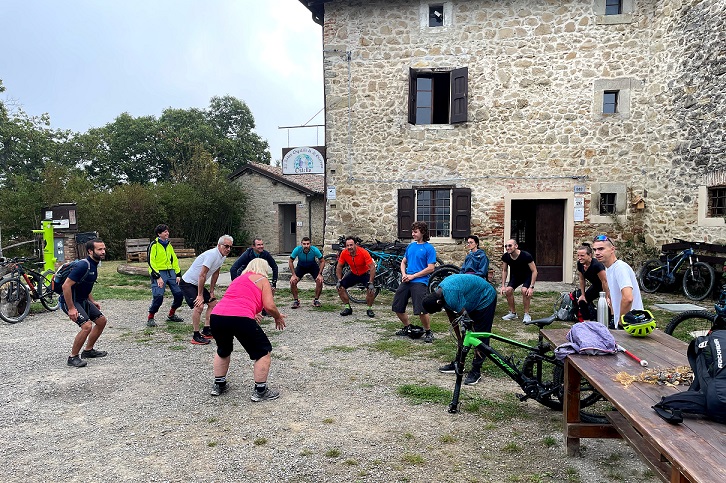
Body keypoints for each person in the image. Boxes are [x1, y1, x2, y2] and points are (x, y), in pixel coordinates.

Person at [208, 258, 286, 401]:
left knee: (223, 349)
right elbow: (269, 306)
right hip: (240, 317)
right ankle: (260, 391)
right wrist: (278, 316)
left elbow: (237, 299)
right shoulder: (262, 279)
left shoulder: (238, 280)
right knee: (263, 351)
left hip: (217, 316)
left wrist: (252, 312)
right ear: (264, 269)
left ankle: (219, 385)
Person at [423, 274, 497, 385]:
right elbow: (452, 318)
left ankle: (476, 370)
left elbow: (468, 321)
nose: (440, 310)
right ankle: (458, 363)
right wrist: (459, 339)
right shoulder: (440, 294)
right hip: (472, 297)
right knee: (466, 336)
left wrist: (477, 345)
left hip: (485, 296)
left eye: (438, 309)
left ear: (439, 302)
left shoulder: (451, 295)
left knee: (480, 335)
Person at [61, 239, 108, 368]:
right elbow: (66, 286)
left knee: (101, 321)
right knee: (87, 326)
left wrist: (92, 301)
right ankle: (73, 357)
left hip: (83, 300)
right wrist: (71, 308)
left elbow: (86, 284)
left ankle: (88, 351)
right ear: (90, 251)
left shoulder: (94, 264)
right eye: (99, 249)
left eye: (104, 249)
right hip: (71, 301)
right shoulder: (83, 265)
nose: (103, 252)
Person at [180, 235, 233, 345]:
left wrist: (212, 291)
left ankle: (206, 329)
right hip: (188, 283)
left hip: (197, 283)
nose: (228, 249)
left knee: (213, 303)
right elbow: (202, 275)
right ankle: (196, 335)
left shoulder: (222, 256)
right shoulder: (212, 255)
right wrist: (200, 295)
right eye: (226, 246)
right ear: (219, 245)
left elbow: (216, 273)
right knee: (199, 306)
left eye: (230, 247)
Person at [392, 221, 437, 343]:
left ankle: (428, 332)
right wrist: (404, 274)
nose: (413, 234)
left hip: (420, 281)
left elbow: (431, 268)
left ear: (423, 232)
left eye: (415, 232)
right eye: (412, 231)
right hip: (407, 279)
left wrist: (413, 276)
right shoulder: (411, 246)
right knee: (397, 306)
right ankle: (408, 327)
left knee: (421, 309)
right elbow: (403, 262)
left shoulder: (429, 248)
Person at [592, 234, 643, 328]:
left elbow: (628, 298)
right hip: (625, 324)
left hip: (631, 324)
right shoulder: (609, 268)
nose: (597, 253)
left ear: (612, 249)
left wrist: (620, 322)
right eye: (595, 250)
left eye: (601, 249)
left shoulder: (620, 268)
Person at [145, 224, 184, 327]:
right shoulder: (153, 245)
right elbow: (151, 261)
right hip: (159, 273)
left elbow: (174, 259)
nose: (167, 233)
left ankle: (171, 314)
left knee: (179, 295)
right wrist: (157, 276)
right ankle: (150, 318)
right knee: (158, 297)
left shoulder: (169, 245)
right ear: (159, 234)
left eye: (167, 231)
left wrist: (178, 274)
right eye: (165, 231)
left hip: (171, 272)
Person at [335, 236, 377, 317]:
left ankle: (369, 309)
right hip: (353, 273)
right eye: (347, 245)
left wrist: (371, 282)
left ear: (356, 244)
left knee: (371, 290)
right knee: (340, 287)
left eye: (351, 245)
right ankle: (347, 308)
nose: (349, 247)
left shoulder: (363, 252)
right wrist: (339, 280)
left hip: (364, 273)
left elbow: (372, 267)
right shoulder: (344, 253)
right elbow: (339, 266)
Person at [500, 239, 538, 323]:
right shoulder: (506, 256)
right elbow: (504, 270)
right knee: (508, 290)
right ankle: (513, 313)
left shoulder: (526, 256)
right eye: (506, 246)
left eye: (510, 245)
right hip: (516, 277)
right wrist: (503, 286)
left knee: (524, 290)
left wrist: (531, 287)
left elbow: (534, 271)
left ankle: (526, 314)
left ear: (516, 246)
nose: (507, 248)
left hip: (527, 276)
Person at [576, 243, 610, 321]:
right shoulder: (580, 264)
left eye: (582, 256)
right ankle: (587, 322)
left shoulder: (597, 265)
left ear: (590, 255)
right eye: (578, 256)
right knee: (582, 301)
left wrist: (606, 297)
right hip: (596, 286)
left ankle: (609, 322)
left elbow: (604, 281)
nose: (579, 258)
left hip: (607, 287)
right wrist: (583, 295)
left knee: (607, 304)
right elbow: (582, 279)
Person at [289, 236, 325, 308]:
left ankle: (316, 300)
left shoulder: (314, 250)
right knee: (293, 281)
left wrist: (320, 274)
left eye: (308, 244)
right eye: (304, 244)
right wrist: (293, 274)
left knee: (319, 281)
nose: (306, 246)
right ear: (301, 244)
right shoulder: (297, 249)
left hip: (312, 266)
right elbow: (290, 261)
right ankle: (296, 301)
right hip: (301, 267)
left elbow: (322, 261)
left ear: (310, 244)